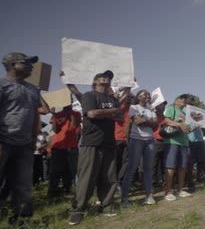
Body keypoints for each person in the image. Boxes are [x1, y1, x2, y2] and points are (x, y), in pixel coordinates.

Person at [69, 70, 122, 225]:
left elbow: (119, 117)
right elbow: (91, 114)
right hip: (92, 141)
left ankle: (106, 205)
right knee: (87, 177)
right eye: (102, 76)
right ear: (95, 81)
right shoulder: (89, 96)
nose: (106, 78)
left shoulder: (112, 98)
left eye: (108, 77)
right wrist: (111, 112)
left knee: (109, 177)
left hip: (109, 142)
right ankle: (79, 209)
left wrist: (106, 113)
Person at [0, 53, 41, 225]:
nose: (31, 67)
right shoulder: (2, 85)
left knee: (24, 184)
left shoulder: (32, 89)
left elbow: (35, 115)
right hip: (3, 141)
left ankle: (22, 219)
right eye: (26, 63)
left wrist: (33, 137)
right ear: (11, 64)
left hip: (25, 144)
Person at [121, 90, 158, 208]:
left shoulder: (151, 109)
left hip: (150, 141)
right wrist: (149, 122)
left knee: (148, 169)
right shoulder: (134, 107)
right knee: (131, 168)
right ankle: (124, 199)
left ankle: (149, 196)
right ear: (138, 97)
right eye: (144, 94)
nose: (147, 96)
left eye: (148, 94)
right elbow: (138, 122)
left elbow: (156, 125)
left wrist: (145, 121)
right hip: (136, 140)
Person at [48, 105, 82, 199]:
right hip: (58, 146)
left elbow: (74, 126)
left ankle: (68, 189)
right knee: (55, 171)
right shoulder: (58, 114)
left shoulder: (76, 114)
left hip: (71, 146)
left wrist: (70, 113)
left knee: (71, 170)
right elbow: (55, 130)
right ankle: (53, 193)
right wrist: (54, 115)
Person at [163, 94, 191, 201]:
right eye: (181, 98)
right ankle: (168, 191)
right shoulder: (171, 108)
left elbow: (187, 129)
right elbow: (166, 121)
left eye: (184, 99)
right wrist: (179, 125)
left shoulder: (186, 113)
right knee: (171, 166)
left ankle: (180, 190)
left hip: (184, 142)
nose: (183, 100)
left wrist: (194, 127)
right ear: (176, 100)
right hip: (172, 141)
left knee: (183, 167)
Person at [185, 95, 205, 189]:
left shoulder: (198, 111)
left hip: (200, 140)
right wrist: (194, 127)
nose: (192, 101)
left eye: (193, 100)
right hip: (189, 140)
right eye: (190, 99)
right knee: (190, 163)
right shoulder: (183, 111)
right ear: (185, 100)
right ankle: (190, 183)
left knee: (204, 161)